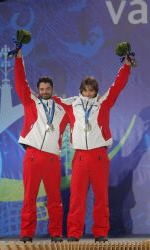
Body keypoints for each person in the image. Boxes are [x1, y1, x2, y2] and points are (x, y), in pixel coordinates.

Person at [54, 56, 132, 242]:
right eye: (86, 90)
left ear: (96, 91)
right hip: (80, 156)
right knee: (77, 198)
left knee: (101, 197)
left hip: (99, 156)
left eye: (92, 91)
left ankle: (100, 232)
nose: (89, 94)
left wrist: (126, 67)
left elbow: (117, 87)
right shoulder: (72, 104)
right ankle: (74, 233)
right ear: (81, 90)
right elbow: (50, 100)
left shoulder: (103, 103)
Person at [14, 49, 69, 243]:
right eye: (42, 89)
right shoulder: (31, 103)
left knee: (55, 199)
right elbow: (21, 82)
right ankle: (27, 234)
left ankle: (56, 233)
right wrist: (19, 59)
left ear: (52, 89)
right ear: (38, 90)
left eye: (48, 88)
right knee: (29, 197)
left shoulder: (63, 107)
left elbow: (87, 103)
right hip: (33, 155)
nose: (45, 91)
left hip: (53, 158)